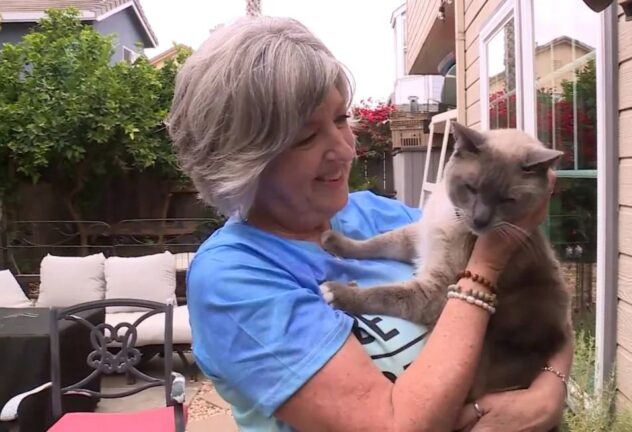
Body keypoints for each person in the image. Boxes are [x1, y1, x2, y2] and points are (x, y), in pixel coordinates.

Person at [168, 15, 573, 432]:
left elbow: (546, 309)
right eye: (307, 137)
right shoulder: (233, 279)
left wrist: (549, 392)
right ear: (243, 159)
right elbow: (393, 425)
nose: (345, 150)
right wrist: (487, 266)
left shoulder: (377, 215)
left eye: (341, 119)